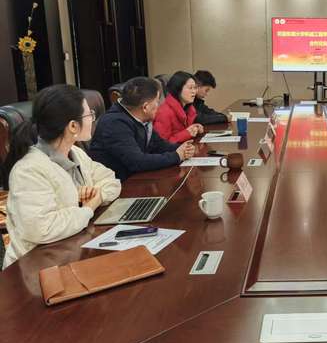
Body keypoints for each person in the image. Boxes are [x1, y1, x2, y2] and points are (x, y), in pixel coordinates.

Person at [2, 85, 121, 268]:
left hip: (75, 249)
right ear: (73, 126)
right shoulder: (28, 170)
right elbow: (42, 228)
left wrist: (96, 195)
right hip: (38, 268)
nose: (93, 119)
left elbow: (111, 181)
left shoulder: (75, 152)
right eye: (89, 115)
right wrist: (89, 207)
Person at [90, 77, 196, 181]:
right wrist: (176, 156)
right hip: (119, 185)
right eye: (157, 101)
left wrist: (183, 149)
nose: (159, 105)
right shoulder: (114, 123)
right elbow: (137, 162)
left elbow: (158, 145)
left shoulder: (140, 117)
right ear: (145, 107)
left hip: (136, 178)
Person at [154, 71, 204, 143]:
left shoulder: (188, 108)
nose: (194, 91)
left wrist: (194, 128)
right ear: (178, 89)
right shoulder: (164, 112)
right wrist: (187, 133)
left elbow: (181, 132)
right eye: (190, 88)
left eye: (195, 88)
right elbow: (161, 144)